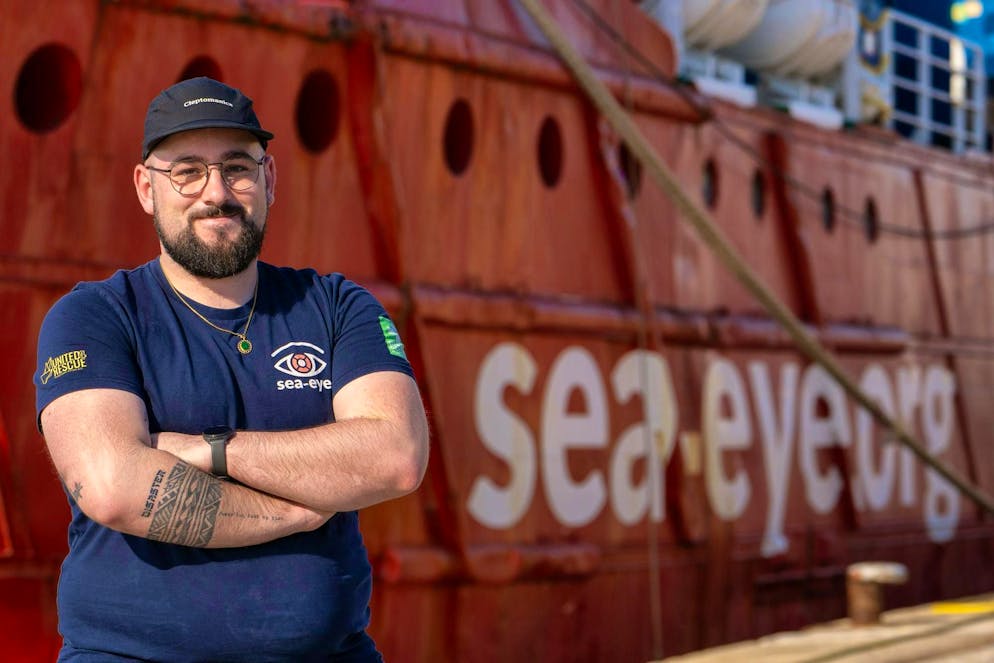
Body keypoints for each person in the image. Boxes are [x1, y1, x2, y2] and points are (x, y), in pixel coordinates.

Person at [33, 77, 429, 662]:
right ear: (146, 188)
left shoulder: (339, 306)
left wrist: (208, 451)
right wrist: (298, 508)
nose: (216, 192)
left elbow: (396, 457)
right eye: (187, 170)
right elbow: (113, 486)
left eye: (237, 167)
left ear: (268, 179)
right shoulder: (91, 318)